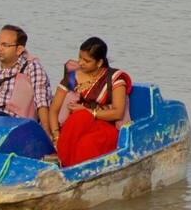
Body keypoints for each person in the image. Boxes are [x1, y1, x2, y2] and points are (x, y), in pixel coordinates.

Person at [49, 37, 132, 167]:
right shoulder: (71, 77)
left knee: (86, 143)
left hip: (105, 128)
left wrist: (88, 112)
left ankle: (75, 172)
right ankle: (65, 163)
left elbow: (118, 113)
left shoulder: (114, 78)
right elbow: (54, 110)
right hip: (75, 126)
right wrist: (56, 135)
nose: (80, 63)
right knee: (77, 122)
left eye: (86, 61)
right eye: (80, 58)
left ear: (99, 63)